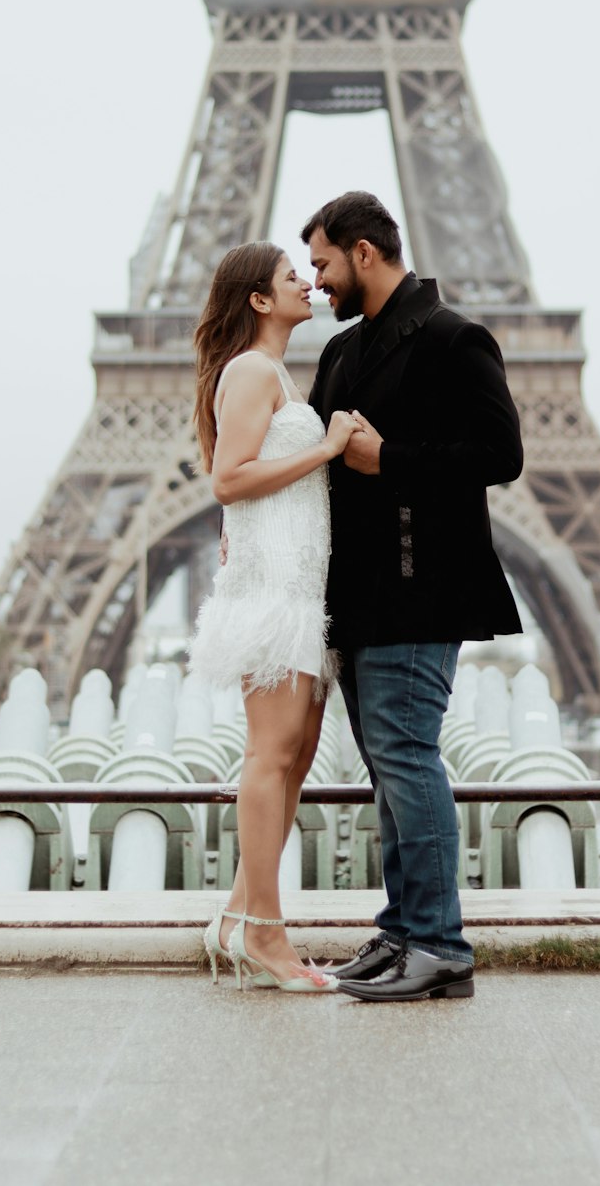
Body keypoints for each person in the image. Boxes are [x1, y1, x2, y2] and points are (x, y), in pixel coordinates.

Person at [302, 192, 524, 1002]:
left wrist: (389, 458)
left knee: (407, 759)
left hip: (420, 589)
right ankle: (403, 932)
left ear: (365, 253)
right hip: (358, 596)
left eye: (323, 263)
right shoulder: (339, 354)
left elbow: (502, 454)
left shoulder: (453, 338)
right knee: (388, 770)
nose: (317, 281)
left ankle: (439, 944)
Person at [189, 241, 359, 994]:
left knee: (293, 756)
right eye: (293, 276)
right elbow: (229, 479)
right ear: (259, 300)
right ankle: (266, 934)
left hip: (299, 583)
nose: (307, 282)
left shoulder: (275, 370)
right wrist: (325, 447)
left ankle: (236, 915)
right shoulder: (253, 369)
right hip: (275, 591)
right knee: (272, 755)